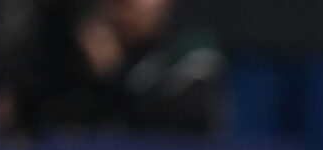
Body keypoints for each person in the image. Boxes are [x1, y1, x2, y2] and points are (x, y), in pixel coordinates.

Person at [16, 0, 225, 135]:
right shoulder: (78, 52)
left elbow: (189, 122)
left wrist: (114, 72)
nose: (127, 5)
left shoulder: (188, 49)